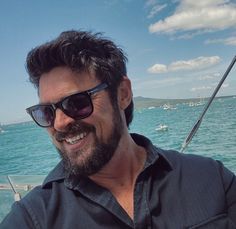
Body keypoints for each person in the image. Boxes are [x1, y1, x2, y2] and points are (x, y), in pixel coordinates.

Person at [1, 30, 236, 229]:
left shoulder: (211, 179)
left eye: (77, 103)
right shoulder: (33, 218)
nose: (60, 123)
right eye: (47, 113)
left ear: (122, 94)